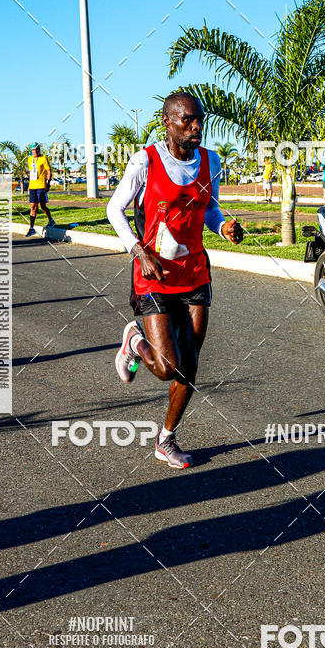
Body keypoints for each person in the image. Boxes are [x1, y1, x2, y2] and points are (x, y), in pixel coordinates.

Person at [106, 92, 244, 469]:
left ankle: (166, 440)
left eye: (199, 119)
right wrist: (138, 250)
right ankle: (134, 340)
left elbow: (210, 208)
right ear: (168, 122)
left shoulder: (210, 161)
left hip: (195, 273)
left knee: (190, 366)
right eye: (188, 120)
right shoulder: (145, 161)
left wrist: (223, 226)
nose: (197, 126)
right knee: (167, 366)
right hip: (154, 276)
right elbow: (113, 208)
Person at [26, 143, 55, 236]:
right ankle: (31, 228)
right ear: (31, 151)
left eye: (37, 149)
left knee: (42, 206)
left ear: (39, 149)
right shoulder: (29, 159)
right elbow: (31, 172)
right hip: (32, 187)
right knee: (33, 207)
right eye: (34, 149)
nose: (36, 151)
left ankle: (50, 219)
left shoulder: (43, 158)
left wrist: (48, 183)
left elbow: (49, 171)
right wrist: (29, 185)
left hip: (41, 186)